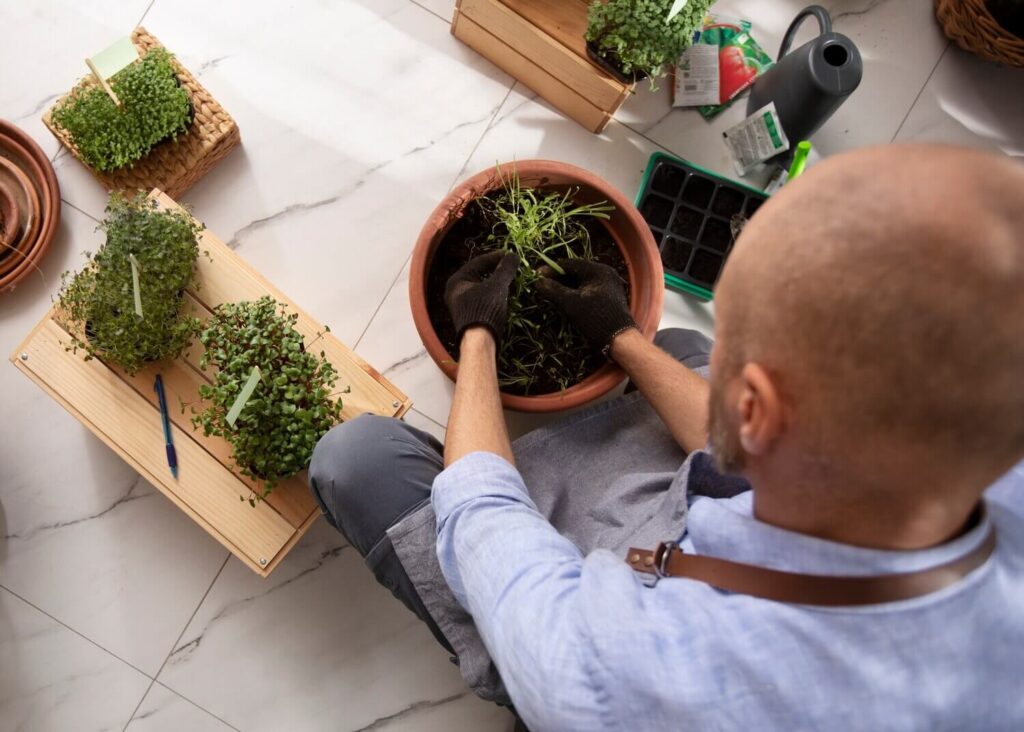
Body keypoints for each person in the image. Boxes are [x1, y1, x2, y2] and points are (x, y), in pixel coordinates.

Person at [308, 144, 1024, 731]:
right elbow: (740, 455)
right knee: (678, 345)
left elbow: (482, 512)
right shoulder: (978, 453)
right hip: (719, 550)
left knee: (355, 459)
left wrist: (477, 333)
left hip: (585, 633)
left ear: (756, 413)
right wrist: (621, 335)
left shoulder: (633, 679)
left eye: (739, 355)